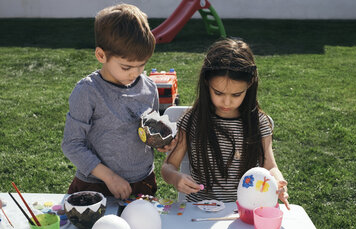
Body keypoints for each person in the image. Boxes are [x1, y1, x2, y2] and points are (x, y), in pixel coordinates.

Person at [161, 38, 290, 209]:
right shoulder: (193, 120)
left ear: (250, 85)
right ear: (207, 82)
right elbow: (168, 166)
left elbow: (270, 166)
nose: (227, 102)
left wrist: (277, 181)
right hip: (200, 210)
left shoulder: (258, 123)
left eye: (236, 95)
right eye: (219, 92)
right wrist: (176, 178)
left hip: (243, 210)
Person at [62, 3, 172, 200]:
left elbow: (147, 130)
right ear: (101, 55)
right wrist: (110, 177)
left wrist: (159, 141)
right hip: (96, 184)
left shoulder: (149, 87)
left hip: (142, 181)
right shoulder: (88, 91)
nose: (135, 73)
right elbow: (72, 144)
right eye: (126, 66)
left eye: (142, 65)